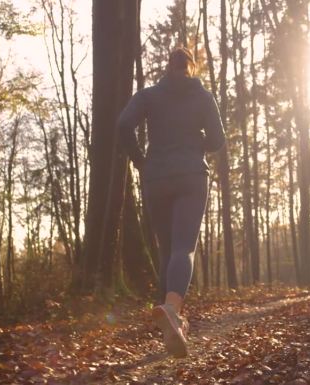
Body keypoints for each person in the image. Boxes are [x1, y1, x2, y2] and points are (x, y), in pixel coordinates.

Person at [116, 47, 225, 358]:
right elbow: (218, 140)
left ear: (168, 66)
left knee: (166, 249)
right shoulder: (202, 96)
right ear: (190, 67)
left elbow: (123, 125)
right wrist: (195, 144)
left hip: (156, 177)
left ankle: (169, 323)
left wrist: (139, 160)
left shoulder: (149, 95)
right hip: (191, 174)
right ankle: (173, 311)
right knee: (183, 248)